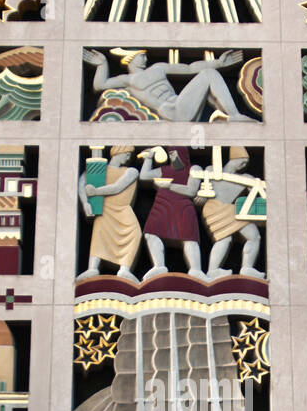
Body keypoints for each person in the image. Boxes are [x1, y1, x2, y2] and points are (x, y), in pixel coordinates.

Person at [83, 46, 259, 123]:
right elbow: (100, 85)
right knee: (209, 76)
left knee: (209, 74)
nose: (145, 58)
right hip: (169, 112)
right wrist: (102, 64)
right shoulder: (127, 81)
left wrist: (218, 64)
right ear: (130, 59)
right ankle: (233, 115)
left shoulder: (158, 68)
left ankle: (230, 116)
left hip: (179, 105)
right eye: (141, 55)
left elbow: (189, 68)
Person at [197, 147, 265, 279]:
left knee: (254, 236)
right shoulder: (212, 170)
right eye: (241, 160)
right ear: (232, 159)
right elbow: (202, 190)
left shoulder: (246, 178)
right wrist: (199, 197)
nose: (243, 164)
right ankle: (213, 270)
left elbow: (258, 191)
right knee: (224, 238)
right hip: (214, 207)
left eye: (246, 163)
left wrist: (256, 185)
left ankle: (247, 268)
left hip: (231, 209)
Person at [77, 146, 141, 283]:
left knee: (135, 233)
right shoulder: (99, 169)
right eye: (127, 153)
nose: (129, 157)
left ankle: (124, 269)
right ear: (118, 152)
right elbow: (82, 182)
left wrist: (95, 192)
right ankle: (92, 268)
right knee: (99, 235)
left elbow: (118, 187)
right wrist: (85, 203)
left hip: (122, 210)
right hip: (105, 209)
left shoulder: (131, 171)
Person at [138, 146, 203, 279]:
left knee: (189, 237)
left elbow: (191, 190)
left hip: (183, 206)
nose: (173, 157)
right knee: (150, 233)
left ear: (184, 155)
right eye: (171, 154)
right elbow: (144, 176)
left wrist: (170, 186)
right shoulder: (165, 169)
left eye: (175, 154)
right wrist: (148, 159)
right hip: (162, 204)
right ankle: (159, 266)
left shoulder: (193, 169)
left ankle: (196, 270)